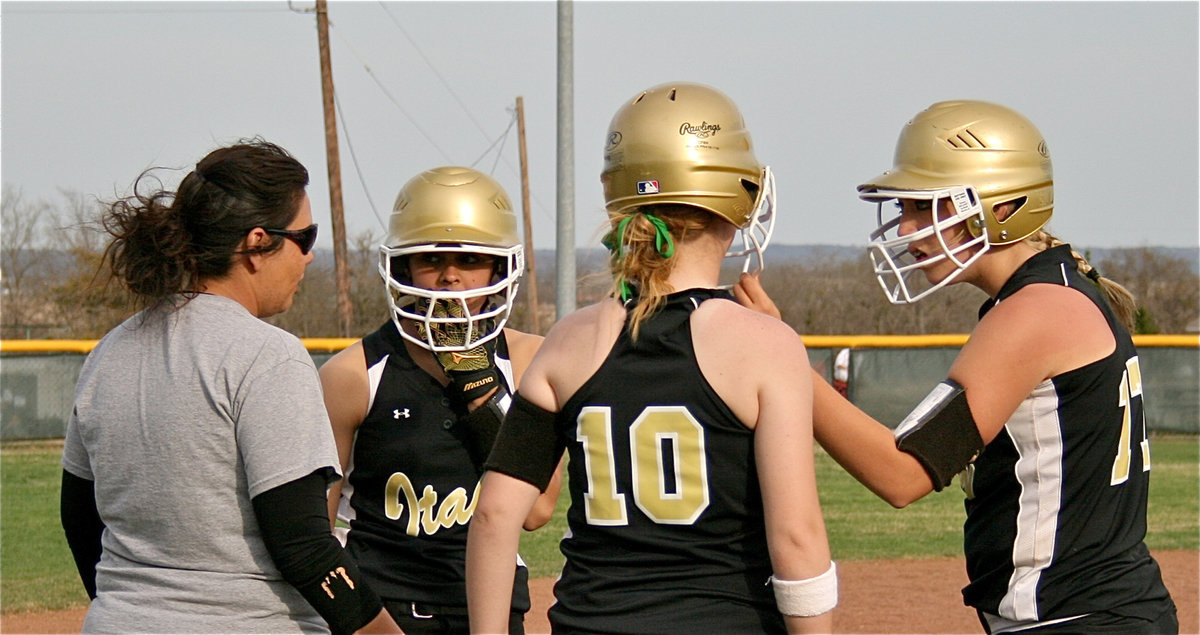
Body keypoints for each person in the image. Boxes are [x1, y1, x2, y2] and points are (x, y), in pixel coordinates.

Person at [738, 100, 1178, 634]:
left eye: (925, 207)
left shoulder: (1036, 310)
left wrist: (784, 360)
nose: (908, 228)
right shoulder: (1055, 291)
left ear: (1003, 205)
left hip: (1080, 619)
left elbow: (903, 473)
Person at [466, 82, 836, 634]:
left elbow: (496, 515)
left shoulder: (568, 341)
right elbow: (797, 538)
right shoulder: (765, 344)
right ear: (733, 199)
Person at [59, 140, 400, 633]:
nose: (308, 257)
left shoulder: (109, 351)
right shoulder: (268, 355)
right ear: (257, 243)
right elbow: (303, 544)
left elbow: (79, 515)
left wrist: (136, 611)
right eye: (305, 237)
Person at [319, 166, 561, 635]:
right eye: (431, 260)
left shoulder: (531, 358)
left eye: (469, 261)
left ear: (500, 267)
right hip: (383, 612)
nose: (450, 277)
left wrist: (479, 384)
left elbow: (534, 511)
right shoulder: (353, 375)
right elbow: (316, 535)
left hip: (489, 610)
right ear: (402, 267)